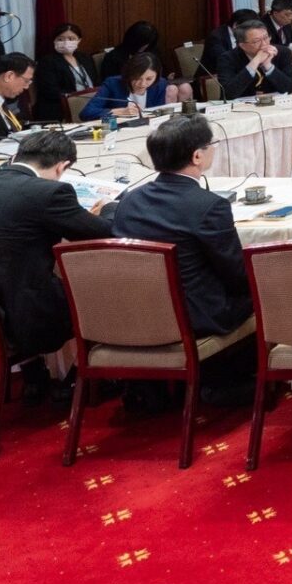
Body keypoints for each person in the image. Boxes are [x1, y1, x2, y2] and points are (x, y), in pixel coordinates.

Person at [103, 113, 255, 403]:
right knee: (264, 289)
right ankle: (226, 382)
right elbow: (235, 273)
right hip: (193, 316)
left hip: (137, 310)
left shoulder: (130, 200)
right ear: (197, 156)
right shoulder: (209, 206)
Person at [0, 127, 116, 363]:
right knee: (101, 288)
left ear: (15, 156)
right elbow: (103, 234)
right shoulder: (49, 193)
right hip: (20, 317)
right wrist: (109, 208)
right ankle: (87, 370)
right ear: (62, 167)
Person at [83, 52, 183, 120]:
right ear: (129, 73)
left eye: (149, 79)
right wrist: (120, 111)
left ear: (156, 76)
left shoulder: (160, 84)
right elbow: (86, 113)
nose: (143, 84)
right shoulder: (112, 83)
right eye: (137, 78)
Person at [215, 19, 292, 99]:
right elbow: (228, 93)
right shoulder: (227, 59)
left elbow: (289, 89)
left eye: (266, 38)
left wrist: (268, 65)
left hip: (274, 103)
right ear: (242, 45)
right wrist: (255, 61)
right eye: (256, 41)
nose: (264, 44)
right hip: (241, 105)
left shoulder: (282, 53)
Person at [34, 23, 99, 113]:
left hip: (91, 100)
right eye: (60, 39)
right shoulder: (47, 61)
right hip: (63, 105)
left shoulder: (85, 58)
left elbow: (96, 81)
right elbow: (50, 91)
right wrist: (76, 97)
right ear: (54, 41)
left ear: (79, 40)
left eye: (71, 39)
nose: (66, 42)